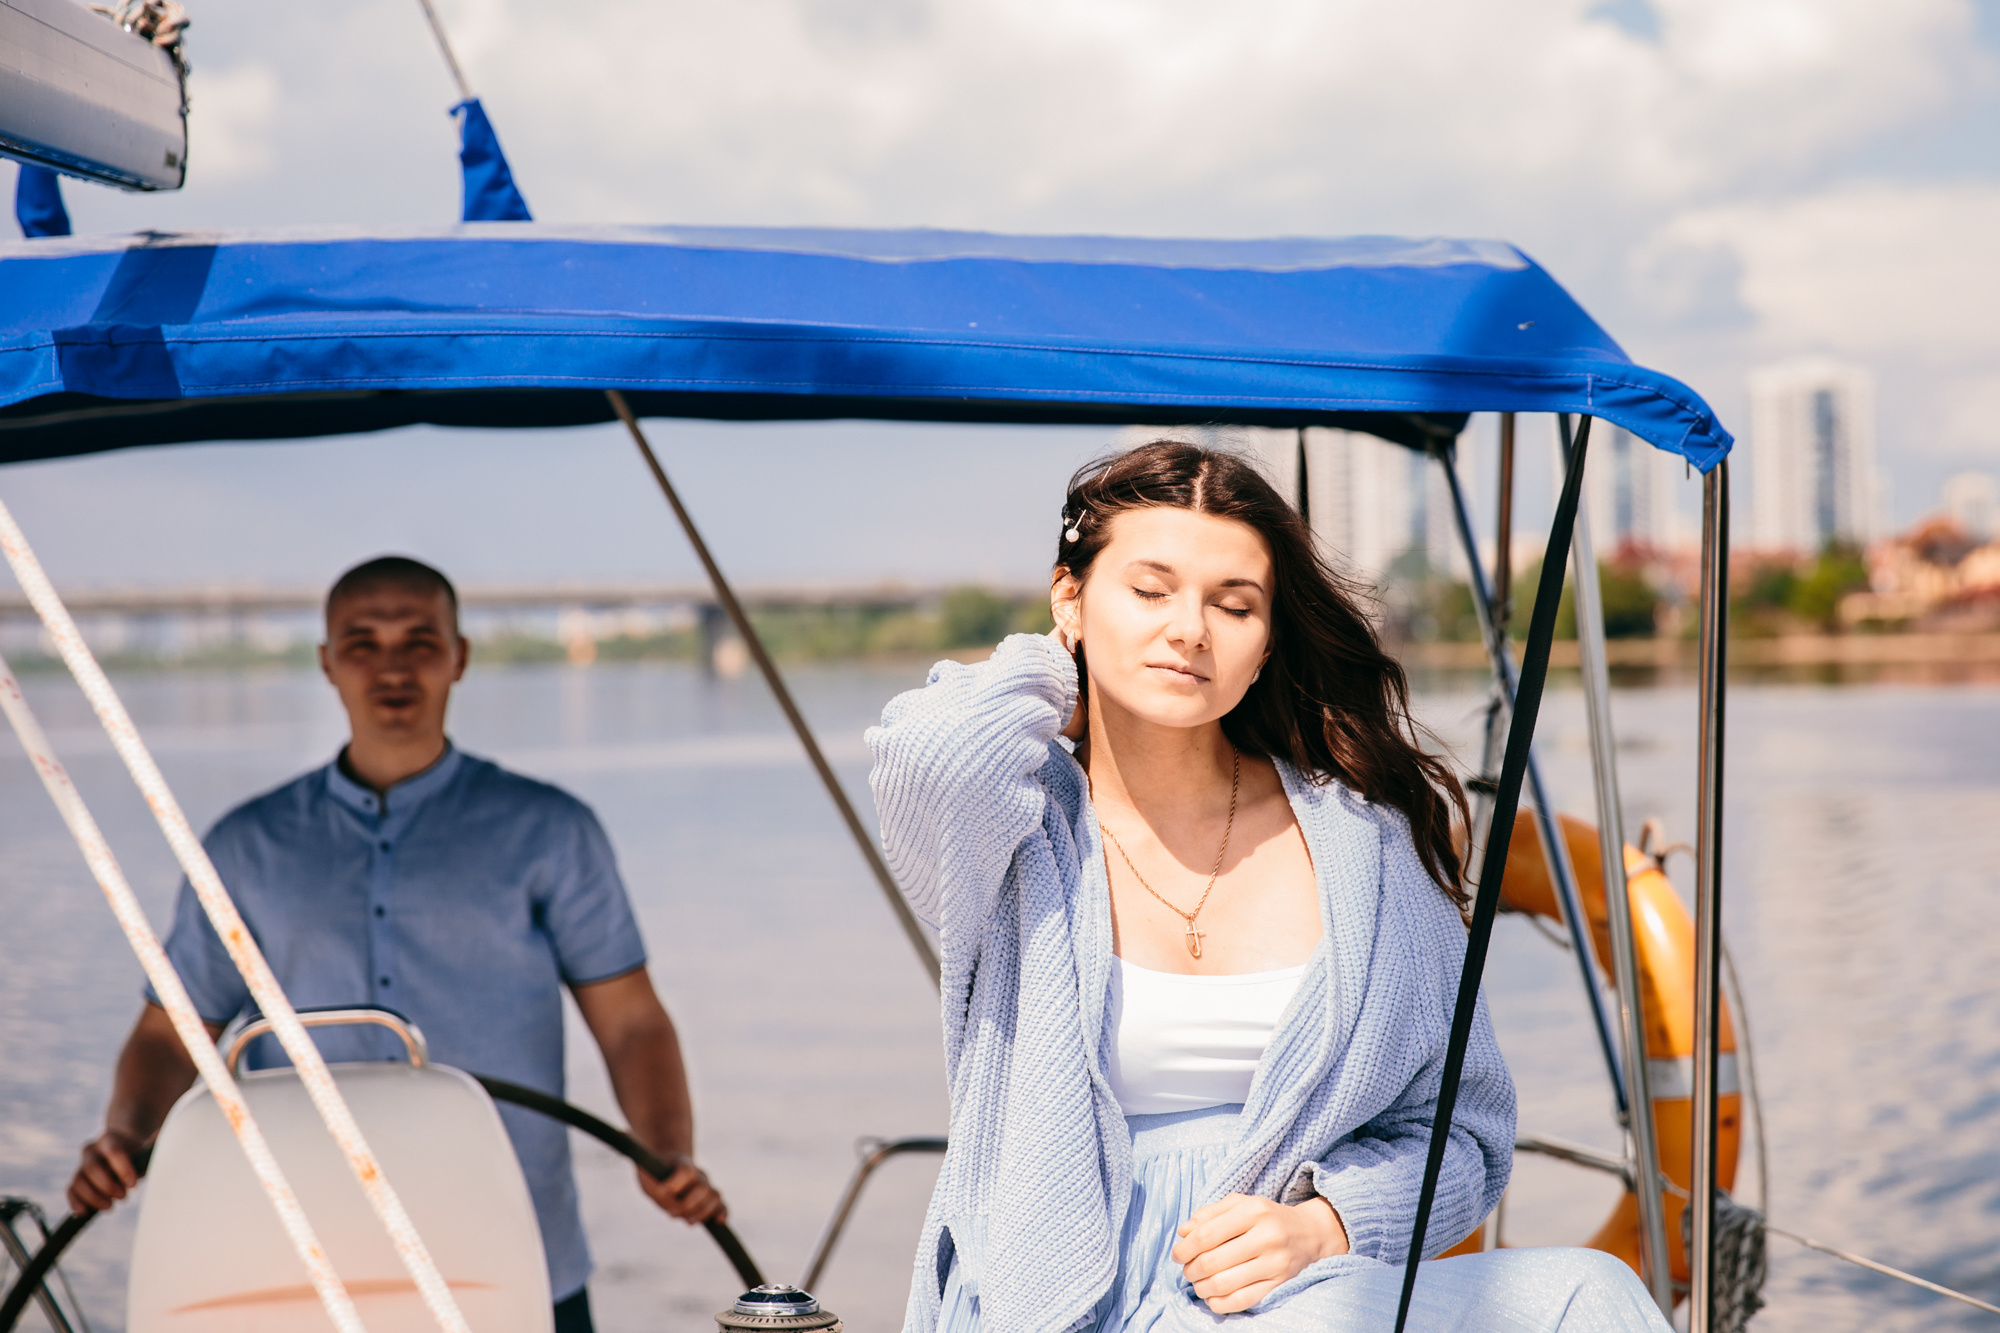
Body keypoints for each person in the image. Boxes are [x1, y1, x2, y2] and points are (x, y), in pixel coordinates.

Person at [867, 442, 1670, 1332]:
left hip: (1302, 1289)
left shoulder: (1365, 840)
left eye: (1233, 603)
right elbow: (928, 753)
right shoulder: (1015, 833)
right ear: (1072, 595)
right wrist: (1063, 667)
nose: (1190, 629)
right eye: (1148, 590)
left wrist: (1329, 1224)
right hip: (1066, 1302)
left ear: (1266, 640)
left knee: (1590, 1292)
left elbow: (1467, 1128)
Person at [68, 556, 723, 1333]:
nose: (393, 666)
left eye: (419, 640)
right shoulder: (244, 847)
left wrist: (665, 1150)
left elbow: (632, 1021)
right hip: (299, 1259)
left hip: (514, 1256)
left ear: (460, 657)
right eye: (363, 642)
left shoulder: (553, 830)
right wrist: (127, 1136)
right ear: (327, 663)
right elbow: (170, 1033)